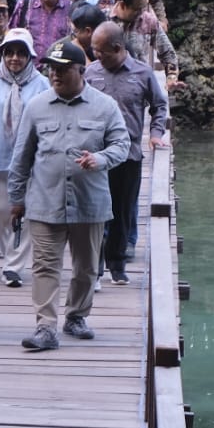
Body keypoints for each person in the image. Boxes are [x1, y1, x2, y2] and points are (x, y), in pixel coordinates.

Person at [7, 41, 130, 352]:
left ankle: (76, 316)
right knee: (45, 266)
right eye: (51, 69)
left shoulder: (105, 106)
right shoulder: (36, 107)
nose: (55, 75)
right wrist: (16, 199)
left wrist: (100, 159)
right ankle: (45, 327)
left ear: (80, 70)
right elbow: (21, 157)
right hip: (45, 202)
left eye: (62, 69)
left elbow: (121, 144)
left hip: (90, 203)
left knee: (86, 267)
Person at [85, 22, 169, 286]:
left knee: (122, 211)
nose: (96, 55)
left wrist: (155, 134)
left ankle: (117, 264)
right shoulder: (91, 73)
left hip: (129, 154)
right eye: (94, 50)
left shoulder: (143, 74)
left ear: (118, 48)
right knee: (97, 212)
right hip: (96, 155)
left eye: (101, 50)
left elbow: (159, 105)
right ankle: (95, 267)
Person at [0, 28, 51, 288]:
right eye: (9, 52)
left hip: (31, 160)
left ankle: (13, 265)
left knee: (28, 214)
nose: (14, 58)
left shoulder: (41, 84)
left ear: (30, 56)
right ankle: (8, 252)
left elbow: (45, 121)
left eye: (21, 53)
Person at [11, 0, 72, 68]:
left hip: (60, 72)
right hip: (28, 72)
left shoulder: (70, 8)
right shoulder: (24, 6)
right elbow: (12, 37)